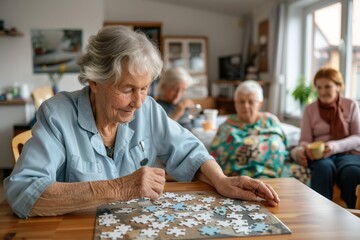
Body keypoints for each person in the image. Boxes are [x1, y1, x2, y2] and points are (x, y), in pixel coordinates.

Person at [3, 26, 279, 218]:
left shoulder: (147, 109)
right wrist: (121, 187)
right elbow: (23, 191)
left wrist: (221, 180)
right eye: (127, 89)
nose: (138, 101)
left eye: (145, 87)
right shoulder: (57, 114)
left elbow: (188, 150)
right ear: (94, 82)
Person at [291, 67, 360, 208]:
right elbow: (304, 140)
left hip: (348, 153)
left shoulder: (351, 105)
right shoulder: (310, 109)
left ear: (338, 86)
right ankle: (320, 214)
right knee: (323, 170)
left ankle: (354, 216)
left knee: (352, 172)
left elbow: (358, 136)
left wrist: (334, 146)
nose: (322, 92)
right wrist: (306, 148)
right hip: (321, 155)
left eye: (327, 86)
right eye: (319, 87)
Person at [210, 80, 288, 178]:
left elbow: (286, 146)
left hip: (274, 175)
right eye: (241, 102)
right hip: (238, 178)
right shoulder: (227, 126)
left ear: (260, 104)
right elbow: (214, 156)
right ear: (235, 104)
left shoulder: (270, 121)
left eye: (251, 102)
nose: (246, 106)